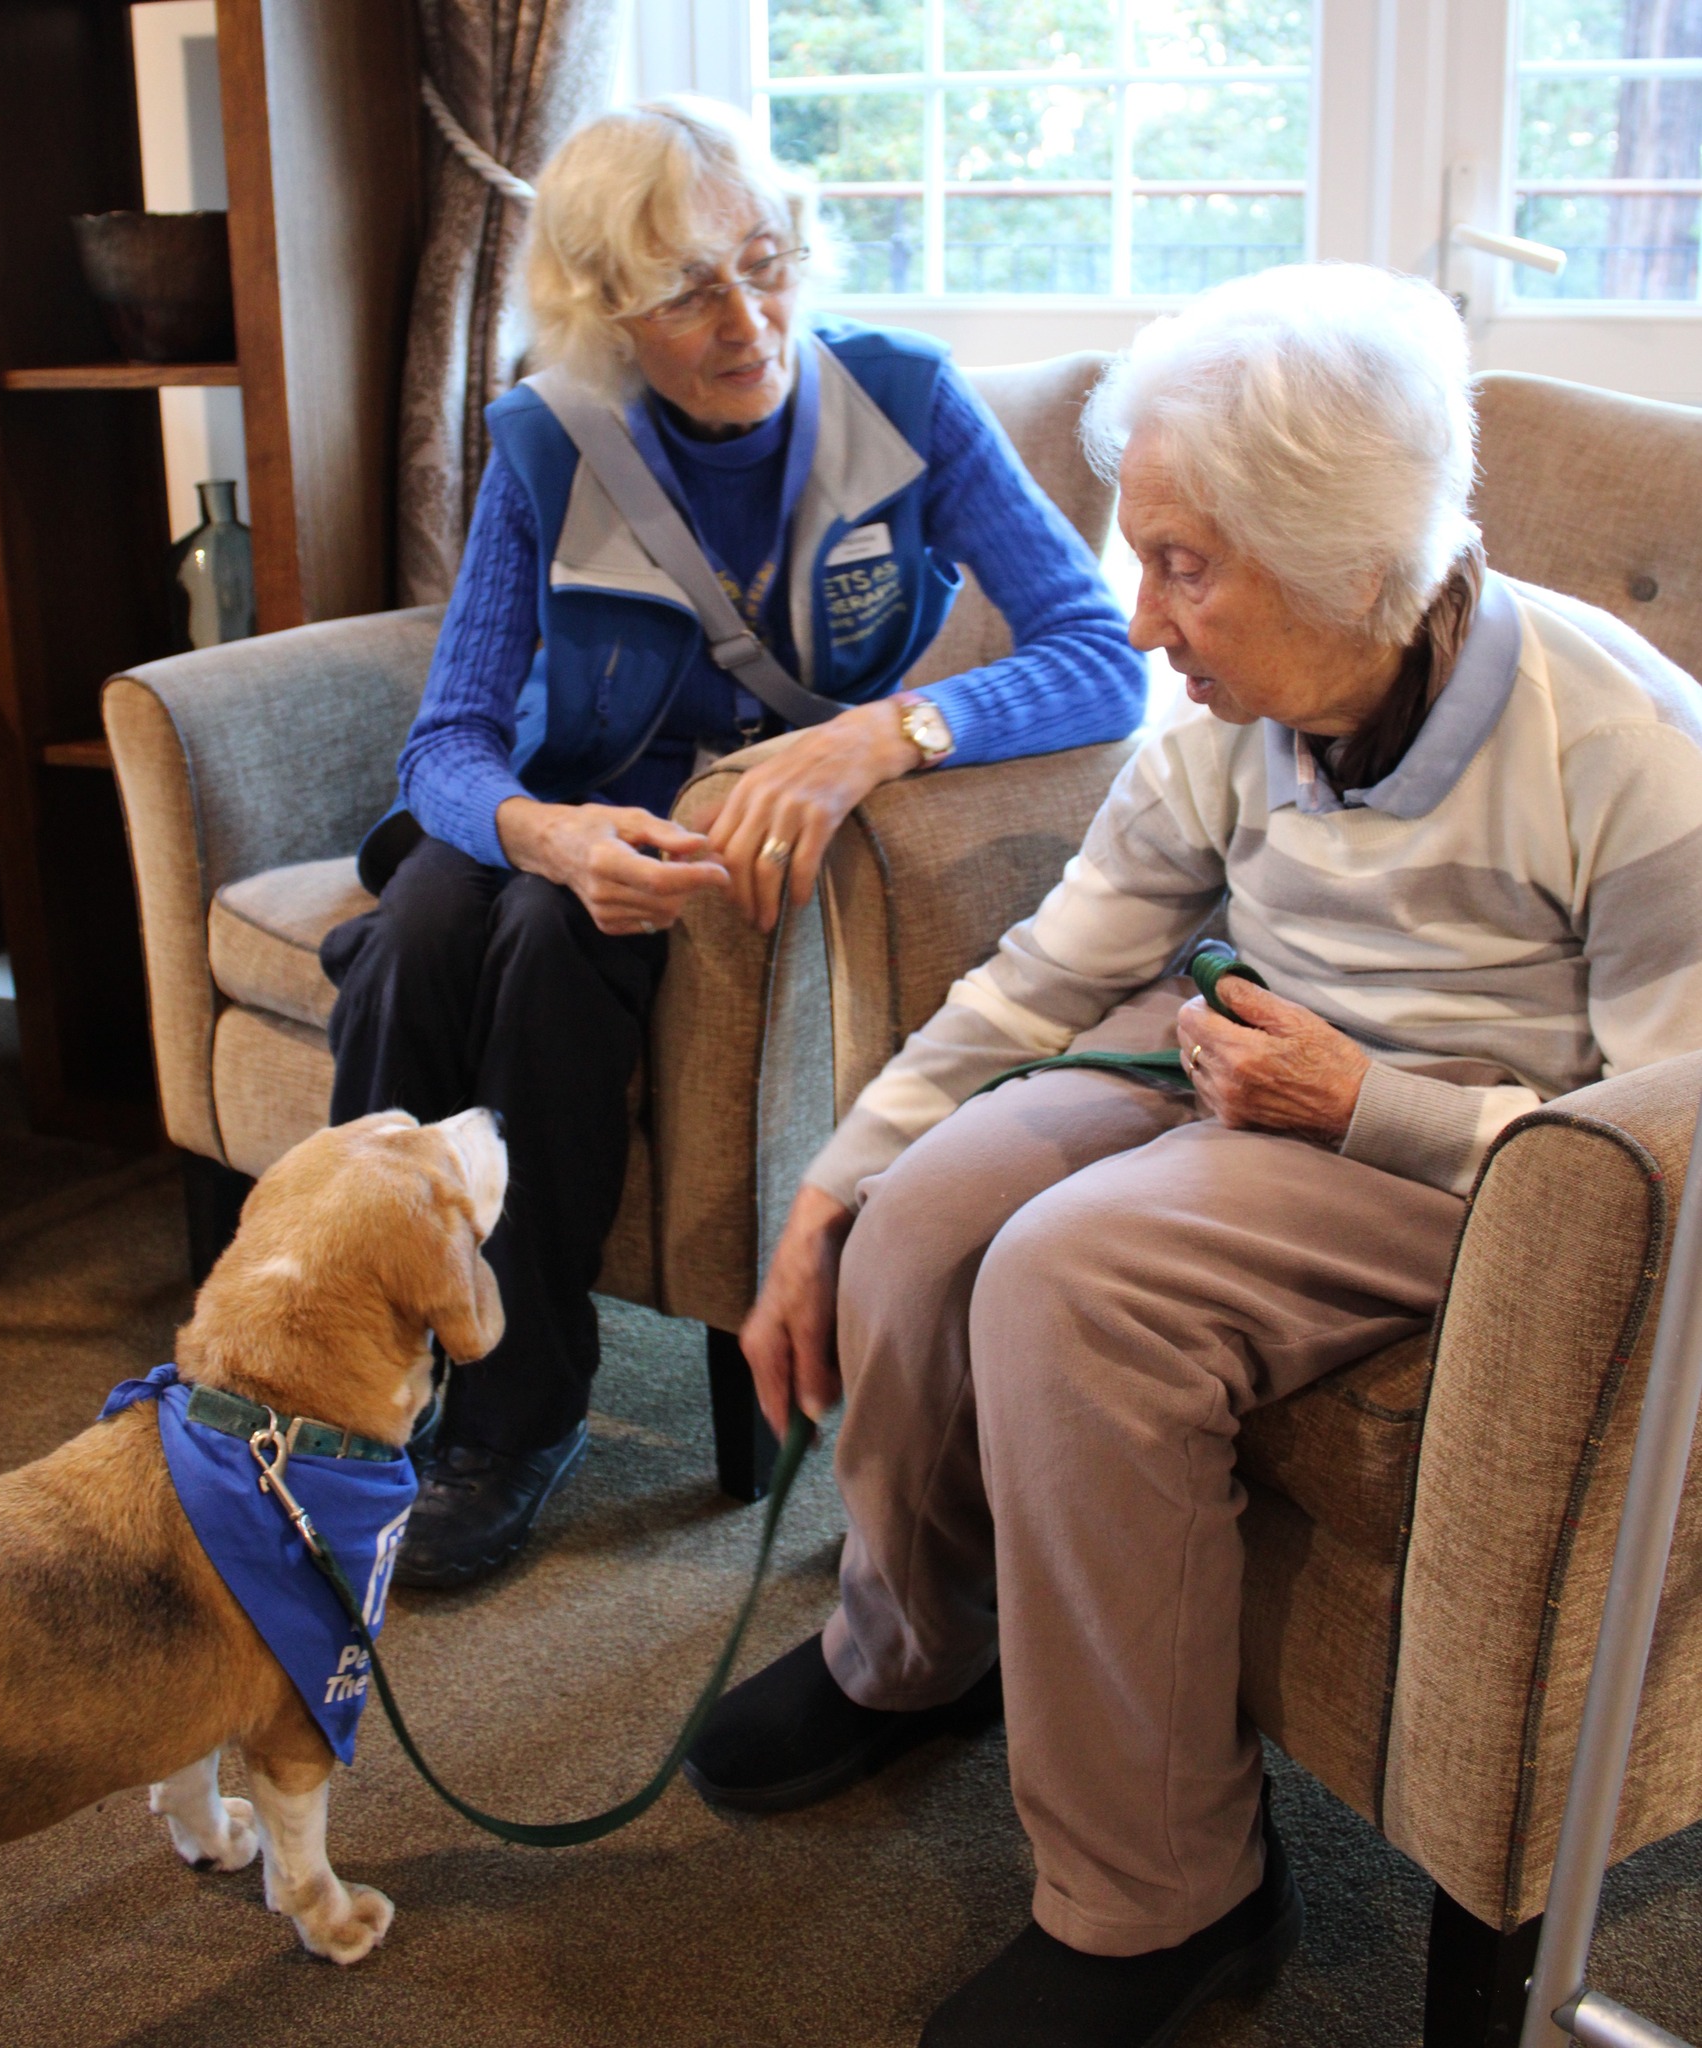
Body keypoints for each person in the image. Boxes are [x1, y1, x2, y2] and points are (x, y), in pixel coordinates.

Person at [682, 262, 1702, 2047]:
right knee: (923, 1219)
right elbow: (1050, 970)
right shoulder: (1237, 719)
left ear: (1347, 567)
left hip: (1479, 1153)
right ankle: (914, 1652)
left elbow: (1663, 1147)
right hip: (1237, 1047)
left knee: (1074, 1283)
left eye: (1182, 566)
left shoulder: (1622, 751)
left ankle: (1169, 1898)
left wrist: (1364, 1104)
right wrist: (836, 1181)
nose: (1141, 620)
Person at [322, 97, 1147, 1590]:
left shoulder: (900, 398)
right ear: (604, 312)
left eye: (765, 262)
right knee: (427, 932)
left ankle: (516, 1417)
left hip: (705, 848)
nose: (748, 318)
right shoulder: (548, 440)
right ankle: (354, 1383)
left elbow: (1101, 655)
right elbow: (444, 744)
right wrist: (543, 831)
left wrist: (882, 732)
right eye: (687, 289)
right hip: (561, 813)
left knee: (540, 943)